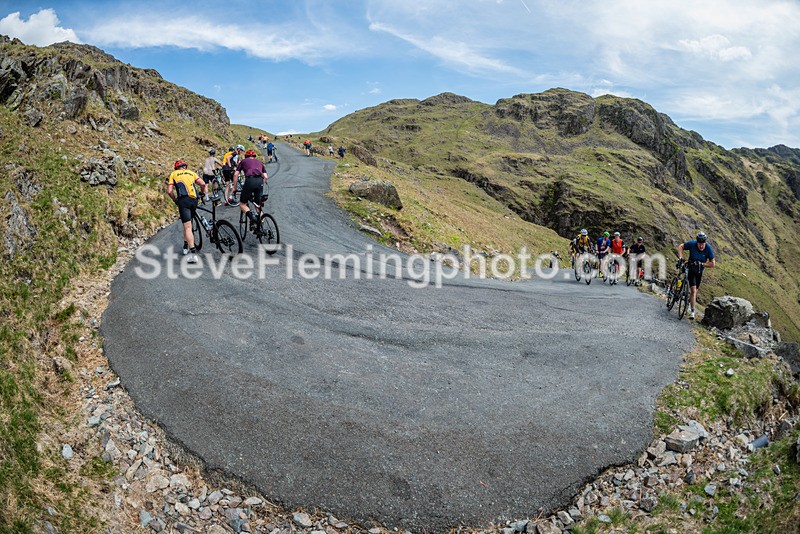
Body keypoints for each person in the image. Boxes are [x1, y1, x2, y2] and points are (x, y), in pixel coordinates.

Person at [167, 160, 208, 264]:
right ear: (185, 167)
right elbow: (203, 184)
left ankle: (193, 254)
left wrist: (174, 199)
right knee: (189, 223)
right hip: (194, 200)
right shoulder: (191, 173)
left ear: (176, 168)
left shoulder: (173, 174)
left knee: (187, 226)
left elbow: (169, 191)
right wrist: (203, 193)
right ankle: (185, 244)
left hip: (183, 201)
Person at [677, 232, 715, 319]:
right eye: (699, 244)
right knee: (693, 290)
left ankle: (690, 306)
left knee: (694, 292)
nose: (701, 246)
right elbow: (681, 246)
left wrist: (702, 264)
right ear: (697, 242)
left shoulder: (708, 248)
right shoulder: (692, 244)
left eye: (703, 244)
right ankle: (692, 312)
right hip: (691, 269)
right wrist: (681, 257)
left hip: (699, 271)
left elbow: (713, 264)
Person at [235, 149, 269, 229]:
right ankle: (260, 227)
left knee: (242, 204)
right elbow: (266, 177)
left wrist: (234, 188)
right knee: (258, 206)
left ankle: (252, 218)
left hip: (250, 180)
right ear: (254, 157)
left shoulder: (243, 161)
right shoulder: (259, 162)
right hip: (260, 181)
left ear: (246, 156)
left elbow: (236, 175)